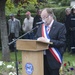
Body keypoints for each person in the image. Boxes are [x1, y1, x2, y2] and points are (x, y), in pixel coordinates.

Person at [35, 8, 66, 75]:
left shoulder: (60, 26)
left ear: (51, 16)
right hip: (42, 58)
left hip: (54, 58)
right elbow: (36, 38)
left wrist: (48, 41)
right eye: (42, 18)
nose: (43, 20)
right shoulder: (41, 27)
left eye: (45, 17)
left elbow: (62, 42)